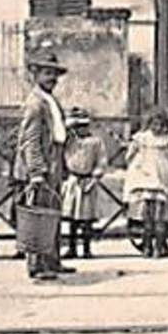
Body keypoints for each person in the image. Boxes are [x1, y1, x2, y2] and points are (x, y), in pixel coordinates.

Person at [13, 48, 72, 281]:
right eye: (47, 73)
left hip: (55, 159)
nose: (52, 79)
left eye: (54, 74)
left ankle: (53, 260)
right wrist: (36, 172)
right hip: (42, 165)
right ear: (35, 75)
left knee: (53, 212)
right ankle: (37, 264)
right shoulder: (35, 104)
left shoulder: (50, 100)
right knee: (39, 214)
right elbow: (30, 141)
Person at [123, 107, 168, 257]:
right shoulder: (141, 138)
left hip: (162, 175)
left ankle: (159, 246)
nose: (157, 128)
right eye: (154, 124)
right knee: (146, 215)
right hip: (144, 176)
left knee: (160, 216)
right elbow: (130, 155)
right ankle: (147, 245)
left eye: (161, 125)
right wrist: (136, 166)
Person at [59, 107, 107, 260]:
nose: (81, 130)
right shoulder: (70, 141)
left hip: (88, 180)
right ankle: (72, 247)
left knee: (86, 218)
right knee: (72, 217)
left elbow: (101, 161)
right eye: (77, 127)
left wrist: (95, 176)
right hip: (73, 180)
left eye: (84, 126)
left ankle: (87, 248)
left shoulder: (95, 142)